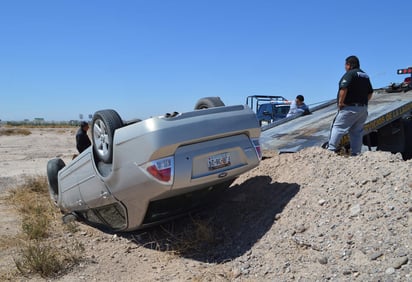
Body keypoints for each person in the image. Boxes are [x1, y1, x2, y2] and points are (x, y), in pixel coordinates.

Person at [327, 55, 373, 156]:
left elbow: (344, 87)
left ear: (349, 65)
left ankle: (330, 150)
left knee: (337, 127)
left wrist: (340, 103)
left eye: (345, 65)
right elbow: (370, 92)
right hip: (362, 109)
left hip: (349, 108)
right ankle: (356, 154)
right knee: (357, 132)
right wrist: (364, 103)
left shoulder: (350, 74)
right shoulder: (365, 75)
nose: (345, 67)